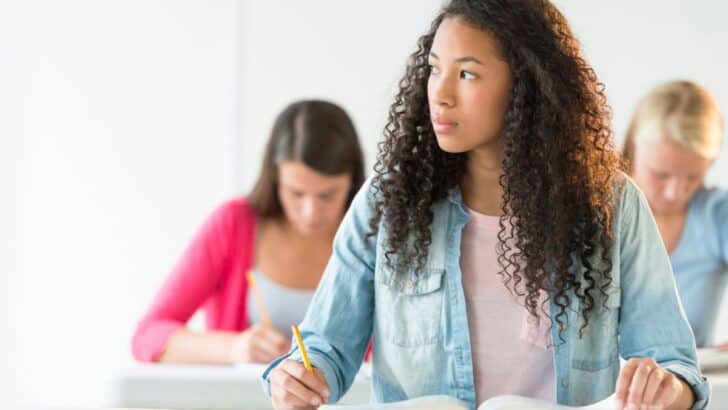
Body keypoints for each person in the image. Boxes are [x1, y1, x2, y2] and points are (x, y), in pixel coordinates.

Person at [263, 1, 709, 410]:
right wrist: (299, 376)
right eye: (435, 69)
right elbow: (325, 348)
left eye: (467, 74)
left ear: (526, 84)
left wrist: (667, 389)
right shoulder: (389, 200)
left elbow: (674, 364)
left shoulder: (612, 204)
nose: (440, 93)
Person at [131, 99, 366, 364]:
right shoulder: (233, 225)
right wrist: (235, 348)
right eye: (296, 193)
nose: (310, 212)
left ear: (353, 182)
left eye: (327, 195)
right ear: (276, 177)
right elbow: (148, 336)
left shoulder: (375, 237)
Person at [623, 80, 727, 349]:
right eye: (661, 175)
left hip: (690, 384)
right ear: (633, 151)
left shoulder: (715, 214)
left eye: (693, 177)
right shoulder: (594, 212)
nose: (675, 193)